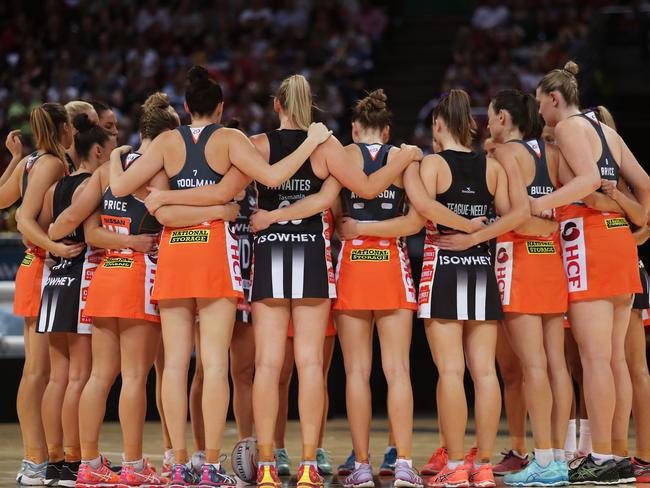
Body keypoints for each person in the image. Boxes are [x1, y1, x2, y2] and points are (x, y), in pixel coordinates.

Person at [141, 73, 421, 488]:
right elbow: (362, 186)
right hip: (310, 254)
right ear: (311, 106)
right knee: (310, 366)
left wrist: (167, 197)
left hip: (270, 254)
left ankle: (269, 463)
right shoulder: (326, 147)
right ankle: (309, 464)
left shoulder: (256, 145)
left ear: (276, 106)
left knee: (268, 366)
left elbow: (223, 193)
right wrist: (401, 159)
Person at [108, 67, 333, 488]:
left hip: (175, 251)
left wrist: (123, 161)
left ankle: (178, 466)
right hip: (213, 254)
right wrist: (313, 142)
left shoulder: (167, 143)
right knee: (214, 366)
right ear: (221, 107)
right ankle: (210, 466)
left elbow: (123, 190)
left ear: (187, 107)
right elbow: (268, 179)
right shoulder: (232, 140)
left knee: (174, 366)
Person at [45, 93, 183, 487]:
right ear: (169, 135)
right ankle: (136, 465)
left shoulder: (107, 170)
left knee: (100, 376)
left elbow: (78, 224)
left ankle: (88, 463)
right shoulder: (159, 174)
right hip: (139, 276)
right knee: (138, 377)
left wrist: (51, 237)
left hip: (104, 277)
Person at [533, 61, 650, 484]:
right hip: (619, 242)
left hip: (589, 242)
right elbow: (646, 182)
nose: (540, 114)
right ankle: (615, 454)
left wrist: (544, 202)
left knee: (596, 360)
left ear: (554, 98)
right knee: (615, 360)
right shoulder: (607, 130)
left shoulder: (567, 127)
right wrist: (631, 212)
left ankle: (601, 458)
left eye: (540, 104)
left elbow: (584, 180)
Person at [408, 89, 528, 488]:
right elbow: (517, 216)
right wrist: (478, 233)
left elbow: (422, 211)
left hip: (444, 268)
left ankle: (457, 465)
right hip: (481, 269)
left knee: (452, 372)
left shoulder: (433, 165)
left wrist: (459, 231)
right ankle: (485, 465)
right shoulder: (492, 165)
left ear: (439, 125)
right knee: (486, 374)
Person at [478, 89, 573, 485]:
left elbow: (514, 217)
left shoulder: (504, 156)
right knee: (555, 364)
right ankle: (560, 455)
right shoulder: (550, 152)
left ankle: (546, 461)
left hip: (518, 263)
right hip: (552, 259)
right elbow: (562, 207)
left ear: (503, 118)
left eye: (489, 116)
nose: (486, 124)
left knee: (532, 366)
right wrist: (549, 227)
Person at [31, 114, 115, 487]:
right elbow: (95, 233)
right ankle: (76, 460)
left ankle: (55, 461)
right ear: (97, 151)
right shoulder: (95, 186)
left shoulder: (54, 189)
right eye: (110, 151)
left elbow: (43, 231)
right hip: (82, 276)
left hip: (54, 279)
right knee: (80, 376)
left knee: (58, 378)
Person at [4, 103, 76, 485]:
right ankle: (34, 460)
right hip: (41, 265)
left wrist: (14, 160)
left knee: (41, 370)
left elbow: (2, 198)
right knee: (37, 371)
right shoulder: (49, 163)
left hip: (37, 266)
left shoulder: (33, 160)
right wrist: (56, 246)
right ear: (64, 127)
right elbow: (20, 217)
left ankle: (44, 456)